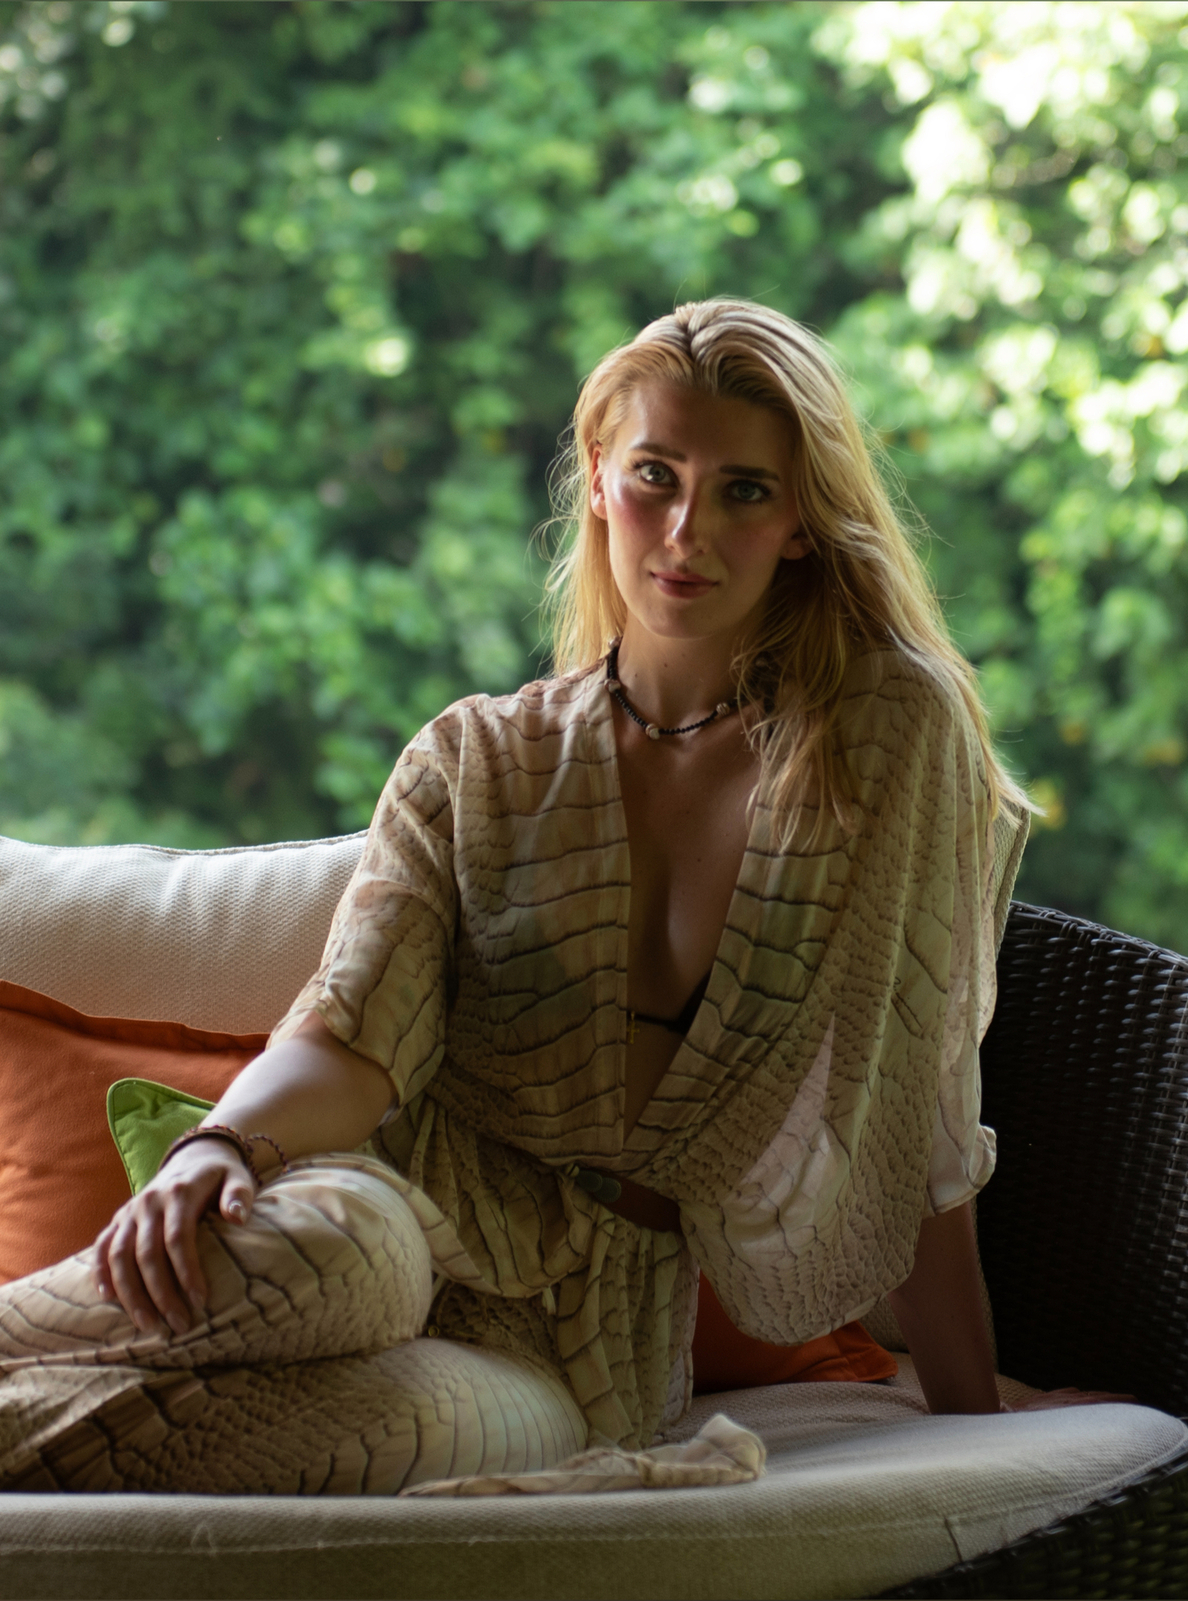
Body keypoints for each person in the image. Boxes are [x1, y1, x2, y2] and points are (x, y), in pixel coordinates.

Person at [0, 299, 1100, 1497]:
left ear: (799, 520)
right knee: (337, 1255)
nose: (685, 530)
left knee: (392, 1432)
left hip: (572, 1350)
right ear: (597, 475)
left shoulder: (881, 740)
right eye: (654, 475)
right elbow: (349, 1032)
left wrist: (974, 1409)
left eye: (741, 490)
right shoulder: (475, 759)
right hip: (383, 1209)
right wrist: (214, 1144)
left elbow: (913, 1112)